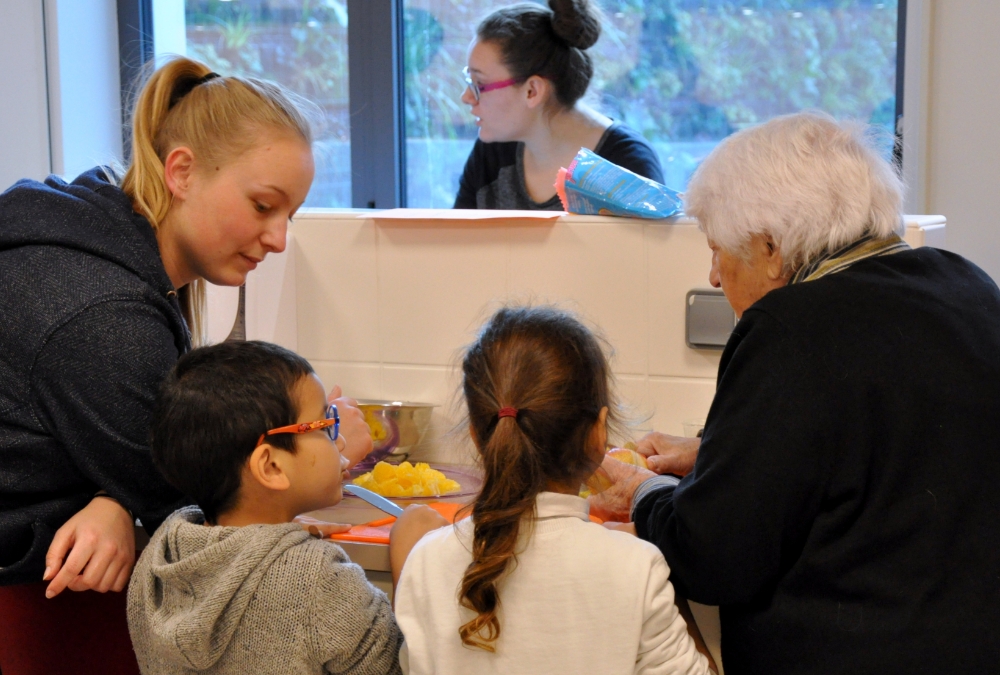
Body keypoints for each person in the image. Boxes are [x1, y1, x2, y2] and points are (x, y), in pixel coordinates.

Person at [590, 112, 1000, 673]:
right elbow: (882, 456)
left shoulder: (790, 327)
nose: (713, 276)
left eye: (717, 250)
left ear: (770, 248)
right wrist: (719, 455)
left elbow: (714, 554)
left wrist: (646, 491)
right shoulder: (967, 284)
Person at [0, 58, 371, 606]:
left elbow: (145, 465)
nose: (278, 240)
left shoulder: (101, 232)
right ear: (180, 172)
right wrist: (330, 449)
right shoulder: (103, 317)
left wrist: (115, 497)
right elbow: (209, 520)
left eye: (288, 215)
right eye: (263, 206)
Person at [389, 306, 713, 675]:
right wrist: (656, 550)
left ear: (479, 437)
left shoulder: (424, 563)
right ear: (598, 434)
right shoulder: (634, 567)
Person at [128, 340, 401, 675]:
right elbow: (402, 665)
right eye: (325, 424)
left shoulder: (158, 558)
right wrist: (412, 562)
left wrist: (277, 542)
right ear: (270, 466)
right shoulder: (323, 582)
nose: (340, 440)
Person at [454, 1, 665, 210]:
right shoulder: (493, 152)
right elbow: (455, 241)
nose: (466, 97)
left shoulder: (627, 165)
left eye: (479, 85)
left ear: (532, 91)